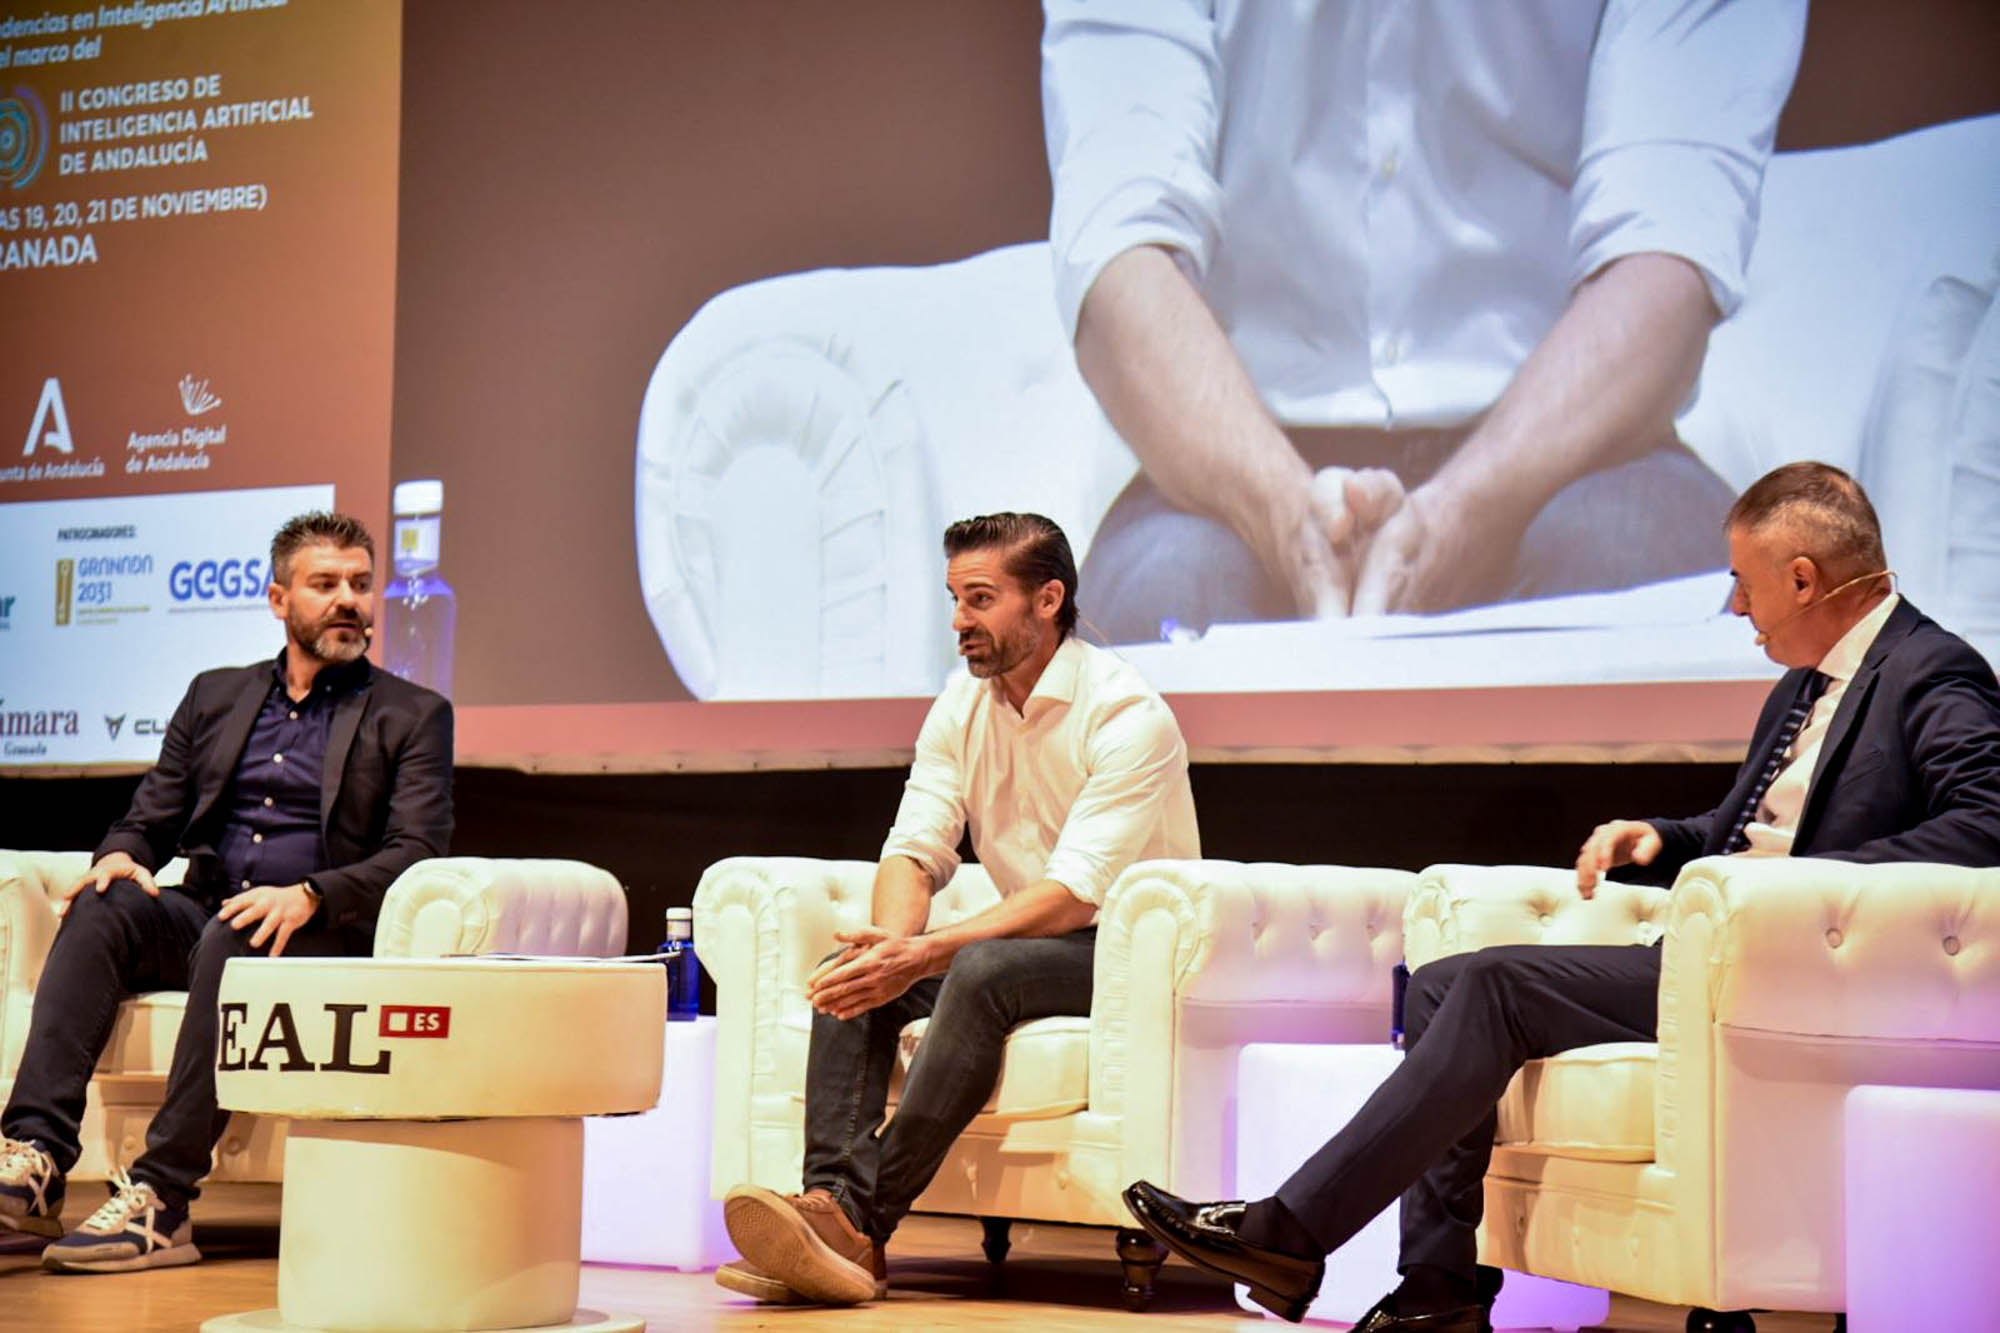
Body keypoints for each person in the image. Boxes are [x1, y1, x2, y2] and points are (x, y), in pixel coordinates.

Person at [1120, 462, 2000, 1330]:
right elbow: (1751, 830)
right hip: (1708, 956)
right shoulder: (1799, 688)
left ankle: (1291, 1229)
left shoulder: (1932, 672)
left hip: (1792, 968)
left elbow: (1986, 825)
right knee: (1438, 979)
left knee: (1498, 986)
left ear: (1803, 579)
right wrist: (1662, 836)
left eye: (1743, 581)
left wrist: (1795, 891)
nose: (1735, 605)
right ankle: (1439, 1286)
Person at [1041, 0, 1808, 642]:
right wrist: (1283, 513)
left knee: (1637, 576)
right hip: (1230, 460)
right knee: (1159, 611)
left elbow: (1667, 246)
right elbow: (1119, 244)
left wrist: (1463, 516)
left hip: (1582, 445)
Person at [715, 512, 1198, 1306]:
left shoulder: (1125, 713)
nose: (959, 622)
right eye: (953, 598)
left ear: (1048, 599)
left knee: (979, 966)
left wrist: (926, 953)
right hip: (1027, 941)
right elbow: (915, 847)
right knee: (856, 969)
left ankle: (862, 1220)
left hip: (1127, 954)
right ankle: (830, 1211)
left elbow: (1075, 892)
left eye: (980, 598)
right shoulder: (962, 704)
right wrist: (890, 950)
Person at [0, 512, 454, 1274]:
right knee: (106, 902)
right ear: (279, 599)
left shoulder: (412, 715)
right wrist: (119, 854)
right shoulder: (217, 696)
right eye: (326, 584)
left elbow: (416, 852)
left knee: (239, 931)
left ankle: (163, 1196)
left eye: (361, 584)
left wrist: (310, 891)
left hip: (318, 927)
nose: (350, 600)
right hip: (206, 908)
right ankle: (36, 1156)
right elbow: (151, 817)